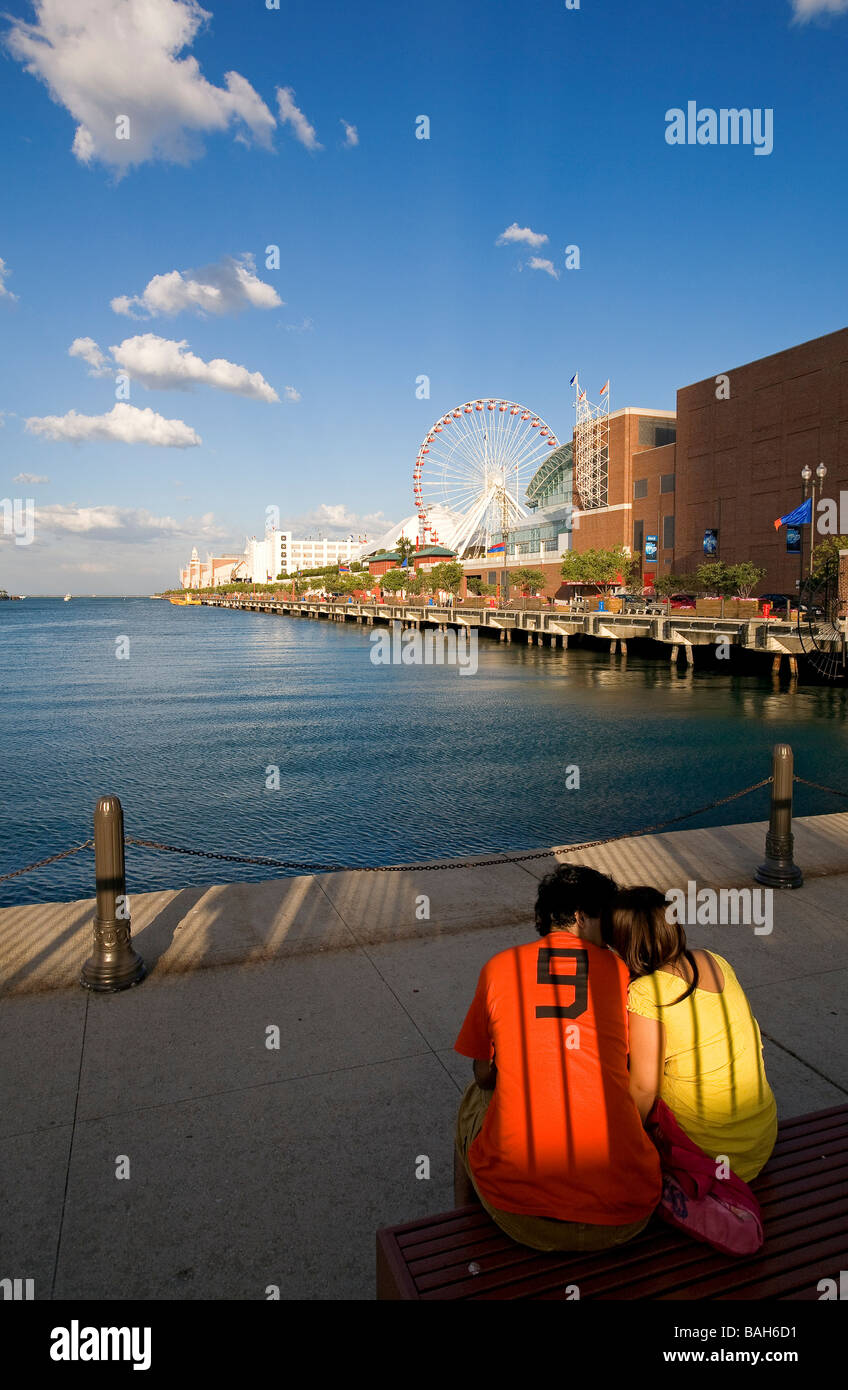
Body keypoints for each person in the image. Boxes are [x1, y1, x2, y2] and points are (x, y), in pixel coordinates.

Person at [454, 865, 661, 1251]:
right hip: (626, 1213)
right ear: (583, 917)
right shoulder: (619, 970)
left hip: (521, 1218)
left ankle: (463, 1236)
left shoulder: (499, 968)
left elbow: (483, 1074)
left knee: (473, 1096)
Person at [603, 886, 777, 1183]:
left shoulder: (647, 992)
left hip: (709, 1150)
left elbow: (644, 1089)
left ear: (624, 943)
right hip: (758, 1139)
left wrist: (619, 1146)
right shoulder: (713, 960)